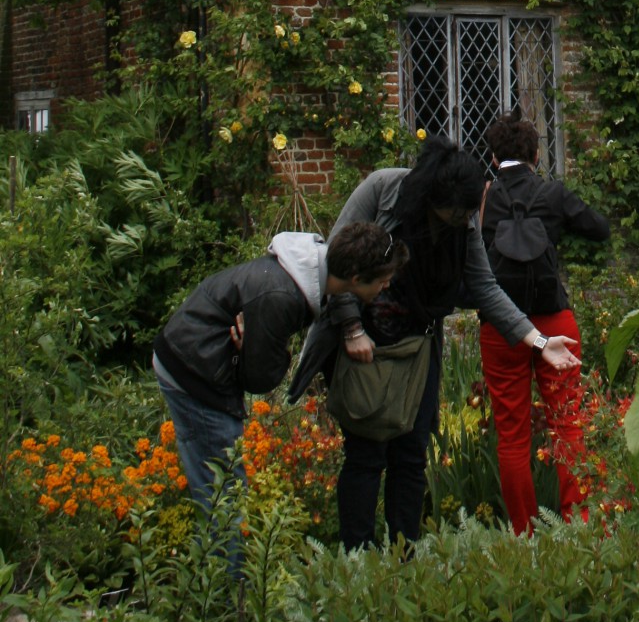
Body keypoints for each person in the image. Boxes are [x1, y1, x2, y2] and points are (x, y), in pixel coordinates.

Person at [291, 139, 579, 550]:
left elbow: (484, 287)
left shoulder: (462, 223)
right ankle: (355, 561)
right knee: (367, 455)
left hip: (418, 348)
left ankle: (402, 557)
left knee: (410, 455)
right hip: (366, 347)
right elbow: (336, 262)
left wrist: (539, 341)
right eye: (457, 212)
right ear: (432, 195)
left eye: (468, 213)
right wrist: (351, 328)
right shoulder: (383, 191)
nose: (464, 220)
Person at [153, 220, 404, 557]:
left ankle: (222, 588)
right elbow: (261, 379)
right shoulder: (282, 297)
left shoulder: (302, 273)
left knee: (220, 491)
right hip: (193, 373)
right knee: (222, 495)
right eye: (383, 279)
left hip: (192, 359)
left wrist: (255, 349)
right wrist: (270, 353)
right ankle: (228, 599)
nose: (387, 285)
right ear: (356, 279)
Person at [479, 111, 610, 535]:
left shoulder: (485, 198)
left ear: (494, 159)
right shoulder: (551, 192)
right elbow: (599, 229)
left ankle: (524, 536)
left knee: (513, 435)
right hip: (554, 319)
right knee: (568, 424)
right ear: (536, 154)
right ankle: (580, 527)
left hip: (502, 327)